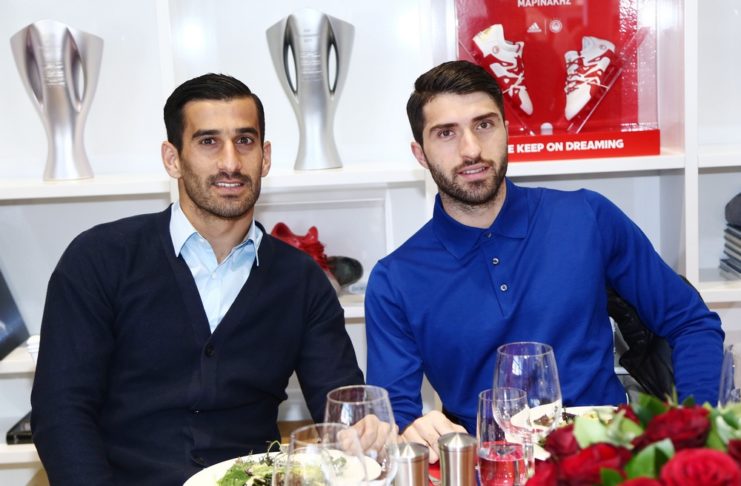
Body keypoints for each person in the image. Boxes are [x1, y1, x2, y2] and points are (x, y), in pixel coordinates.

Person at [364, 60, 724, 462]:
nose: (471, 149)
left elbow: (690, 322)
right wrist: (410, 427)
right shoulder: (395, 279)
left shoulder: (587, 217)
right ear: (420, 153)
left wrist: (693, 433)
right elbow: (393, 413)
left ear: (506, 131)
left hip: (607, 457)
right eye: (446, 133)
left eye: (484, 125)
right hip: (489, 467)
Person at [30, 73, 364, 485]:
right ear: (172, 159)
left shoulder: (302, 280)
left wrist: (360, 432)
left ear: (265, 157)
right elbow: (61, 411)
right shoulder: (98, 258)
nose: (231, 162)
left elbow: (342, 408)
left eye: (245, 140)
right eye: (208, 142)